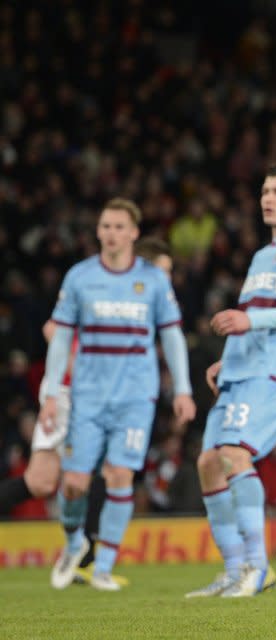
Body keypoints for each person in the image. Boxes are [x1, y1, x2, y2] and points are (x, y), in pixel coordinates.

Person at [186, 161, 276, 598]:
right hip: (242, 373)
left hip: (275, 373)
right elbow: (250, 320)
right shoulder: (261, 257)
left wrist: (249, 322)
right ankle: (234, 569)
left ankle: (257, 566)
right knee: (208, 463)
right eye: (265, 191)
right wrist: (226, 362)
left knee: (234, 454)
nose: (268, 198)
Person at [0, 237, 176, 589]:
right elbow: (54, 328)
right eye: (163, 272)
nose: (167, 281)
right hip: (68, 394)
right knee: (41, 482)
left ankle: (88, 559)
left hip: (106, 399)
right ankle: (87, 556)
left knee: (106, 472)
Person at [39, 199, 195, 591]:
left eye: (119, 227)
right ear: (98, 231)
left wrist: (183, 389)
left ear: (133, 233)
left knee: (120, 475)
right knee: (74, 483)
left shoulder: (154, 281)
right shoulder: (80, 277)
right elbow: (60, 338)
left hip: (134, 397)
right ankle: (75, 544)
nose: (111, 233)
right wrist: (53, 391)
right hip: (88, 396)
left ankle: (104, 566)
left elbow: (172, 334)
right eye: (105, 226)